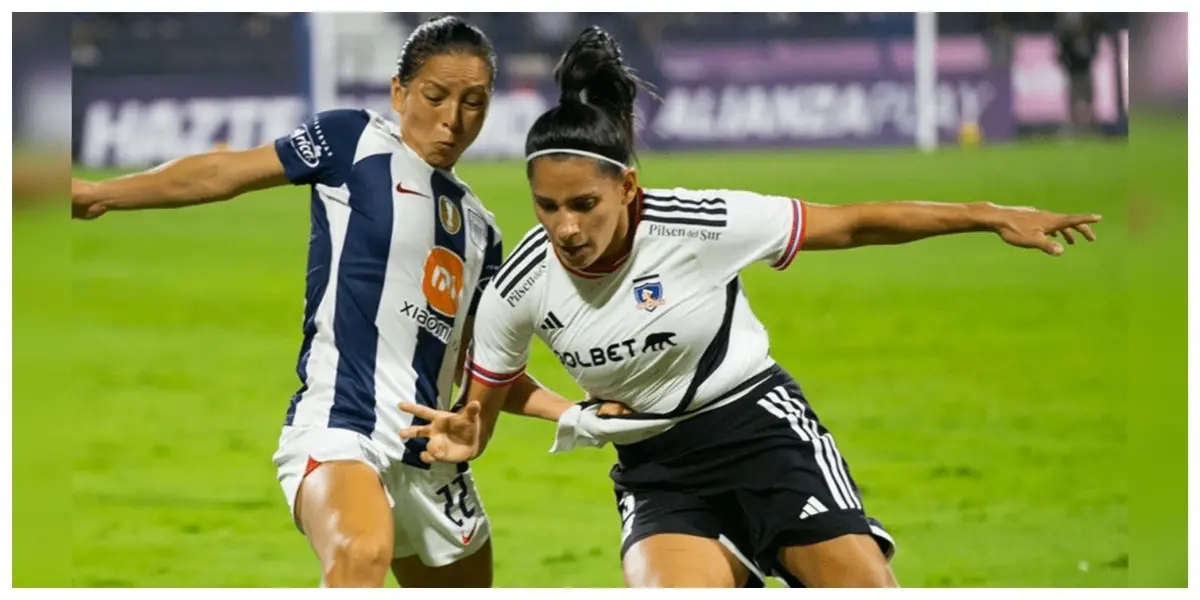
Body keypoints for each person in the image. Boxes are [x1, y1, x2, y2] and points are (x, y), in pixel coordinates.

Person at [397, 26, 1103, 588]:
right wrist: (473, 433)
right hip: (657, 469)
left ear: (629, 191)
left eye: (585, 205)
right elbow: (482, 407)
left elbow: (852, 222)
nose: (567, 228)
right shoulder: (518, 286)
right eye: (547, 208)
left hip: (763, 434)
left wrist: (987, 214)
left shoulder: (698, 224)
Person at [71, 16, 581, 588]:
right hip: (343, 428)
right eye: (436, 96)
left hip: (431, 455)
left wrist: (577, 411)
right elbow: (224, 170)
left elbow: (486, 370)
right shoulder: (354, 141)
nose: (452, 119)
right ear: (399, 92)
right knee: (360, 556)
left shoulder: (483, 233)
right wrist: (100, 193)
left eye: (474, 103)